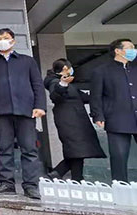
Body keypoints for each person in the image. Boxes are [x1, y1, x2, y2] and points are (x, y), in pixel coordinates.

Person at [0, 28, 46, 199]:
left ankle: (31, 185)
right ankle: (7, 184)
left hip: (26, 111)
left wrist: (40, 106)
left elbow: (37, 84)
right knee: (4, 149)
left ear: (13, 41)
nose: (3, 41)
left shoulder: (27, 61)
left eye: (6, 38)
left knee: (29, 149)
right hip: (1, 112)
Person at [44, 59, 105, 181]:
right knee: (77, 150)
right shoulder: (54, 82)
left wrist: (102, 92)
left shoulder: (71, 85)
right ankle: (66, 175)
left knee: (77, 151)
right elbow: (55, 96)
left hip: (77, 122)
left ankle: (69, 176)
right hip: (69, 123)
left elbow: (86, 97)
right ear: (65, 68)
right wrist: (63, 84)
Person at [90, 39, 137, 182]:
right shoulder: (101, 71)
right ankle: (121, 186)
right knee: (119, 156)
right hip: (117, 119)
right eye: (130, 47)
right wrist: (98, 115)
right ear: (118, 50)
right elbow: (96, 96)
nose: (133, 50)